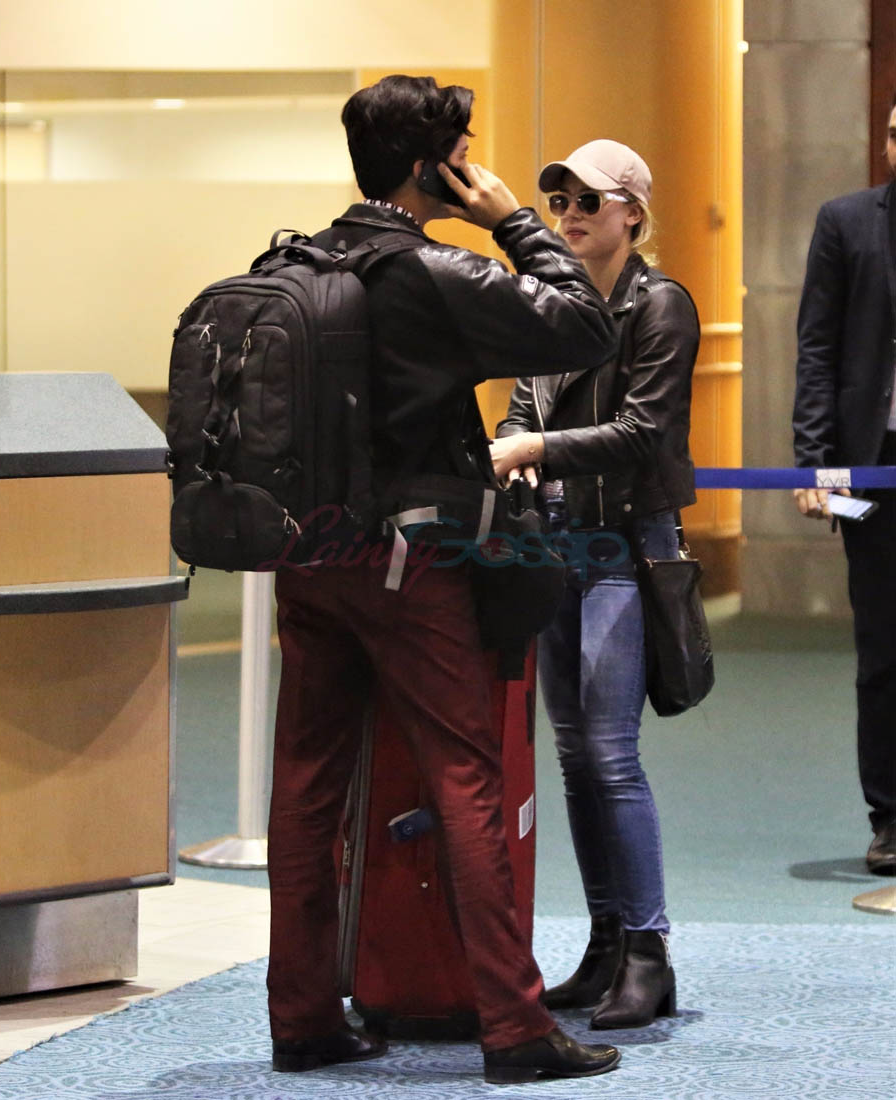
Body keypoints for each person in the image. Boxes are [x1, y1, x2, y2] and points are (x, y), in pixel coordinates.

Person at [266, 75, 622, 1084]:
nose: (473, 168)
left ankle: (302, 1018)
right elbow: (582, 325)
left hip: (307, 558)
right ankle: (513, 1025)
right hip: (407, 562)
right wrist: (510, 219)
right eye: (463, 155)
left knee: (306, 785)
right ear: (434, 168)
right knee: (466, 778)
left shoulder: (292, 260)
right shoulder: (430, 270)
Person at [492, 139, 700, 1029]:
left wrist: (534, 447)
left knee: (610, 755)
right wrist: (513, 443)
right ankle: (607, 942)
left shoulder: (660, 305)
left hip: (622, 546)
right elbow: (521, 406)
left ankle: (649, 953)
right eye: (559, 201)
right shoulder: (549, 306)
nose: (570, 214)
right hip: (554, 546)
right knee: (576, 760)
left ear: (633, 214)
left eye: (589, 200)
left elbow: (643, 430)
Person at [792, 94, 896, 876]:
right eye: (895, 133)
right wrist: (815, 463)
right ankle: (889, 818)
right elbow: (817, 350)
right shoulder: (846, 222)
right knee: (883, 651)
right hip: (872, 469)